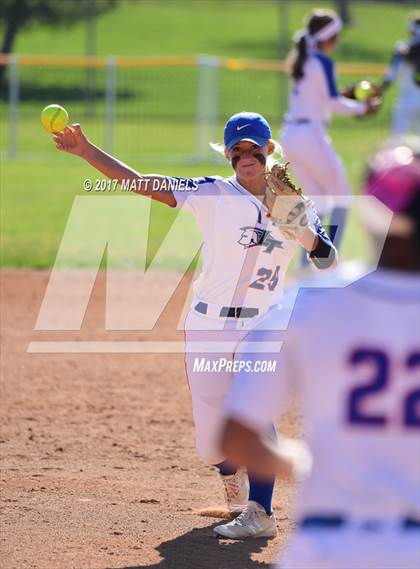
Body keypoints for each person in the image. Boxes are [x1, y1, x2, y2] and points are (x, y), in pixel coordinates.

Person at [53, 111, 336, 539]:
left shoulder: (297, 205)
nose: (246, 156)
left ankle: (261, 513)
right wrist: (85, 150)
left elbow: (328, 257)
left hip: (264, 325)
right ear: (226, 155)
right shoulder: (212, 192)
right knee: (211, 441)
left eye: (253, 148)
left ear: (269, 150)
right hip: (208, 326)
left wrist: (303, 230)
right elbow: (143, 182)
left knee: (254, 410)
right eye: (237, 150)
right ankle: (231, 477)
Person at [220, 136, 420, 566]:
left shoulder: (309, 303)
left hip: (327, 548)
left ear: (372, 215)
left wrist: (324, 466)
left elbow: (237, 439)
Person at [281, 8, 379, 257]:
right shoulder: (321, 60)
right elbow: (332, 103)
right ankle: (329, 259)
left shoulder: (301, 58)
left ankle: (308, 263)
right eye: (335, 36)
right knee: (342, 196)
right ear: (325, 37)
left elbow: (320, 98)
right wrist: (363, 108)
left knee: (317, 202)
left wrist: (346, 96)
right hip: (311, 135)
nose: (337, 41)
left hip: (291, 135)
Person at [381, 12, 420, 137]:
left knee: (396, 141)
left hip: (406, 99)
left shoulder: (403, 48)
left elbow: (392, 74)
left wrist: (380, 90)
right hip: (408, 98)